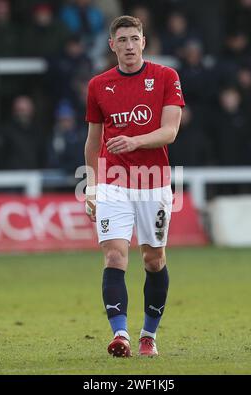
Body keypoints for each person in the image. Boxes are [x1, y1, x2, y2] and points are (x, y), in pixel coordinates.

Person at [84, 15, 185, 358]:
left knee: (153, 259)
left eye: (134, 39)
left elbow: (170, 131)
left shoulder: (166, 77)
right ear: (112, 45)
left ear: (144, 41)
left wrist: (134, 141)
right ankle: (121, 335)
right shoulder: (98, 85)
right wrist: (92, 185)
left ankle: (148, 335)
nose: (129, 45)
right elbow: (92, 141)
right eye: (122, 40)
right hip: (113, 180)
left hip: (152, 182)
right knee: (114, 255)